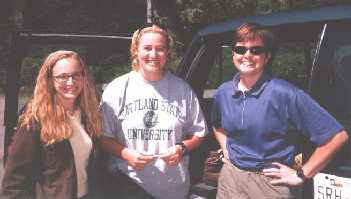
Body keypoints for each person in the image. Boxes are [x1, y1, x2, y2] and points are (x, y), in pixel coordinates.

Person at [211, 22, 349, 199]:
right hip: (230, 180)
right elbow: (217, 125)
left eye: (256, 50)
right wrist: (227, 150)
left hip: (270, 184)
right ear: (233, 54)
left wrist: (301, 174)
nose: (247, 55)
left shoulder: (285, 93)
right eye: (240, 49)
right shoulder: (223, 91)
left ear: (267, 56)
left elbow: (337, 137)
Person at [99, 24, 208, 199]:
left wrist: (181, 148)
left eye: (160, 49)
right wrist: (126, 153)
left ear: (167, 53)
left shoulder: (182, 89)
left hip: (173, 189)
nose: (153, 55)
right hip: (129, 186)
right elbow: (102, 137)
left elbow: (199, 133)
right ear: (136, 50)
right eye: (147, 48)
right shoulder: (117, 88)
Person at [1, 50, 103, 199]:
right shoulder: (34, 119)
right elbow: (14, 183)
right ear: (50, 80)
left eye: (76, 75)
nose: (70, 82)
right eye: (62, 77)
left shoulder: (89, 114)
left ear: (83, 77)